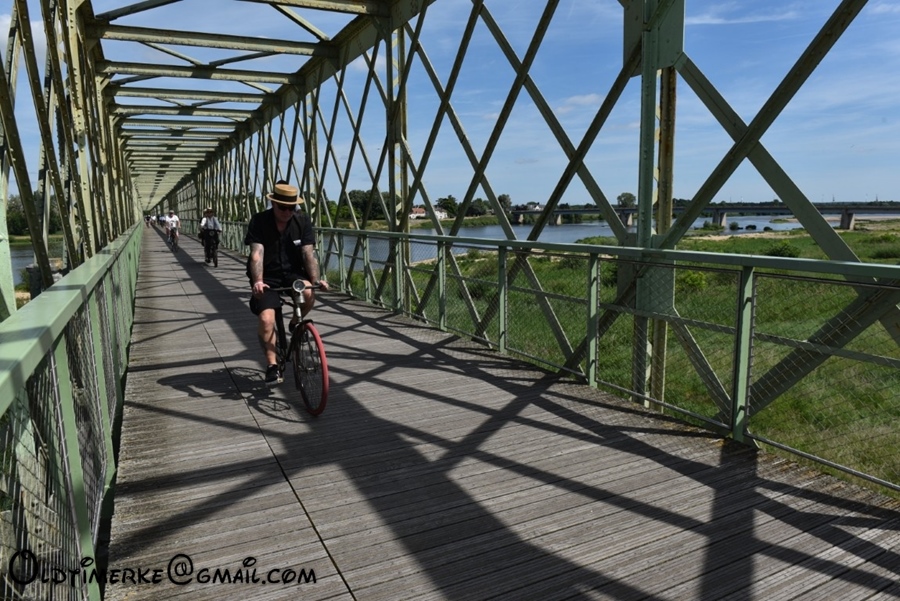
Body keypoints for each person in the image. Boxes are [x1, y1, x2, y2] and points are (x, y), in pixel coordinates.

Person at [244, 182, 329, 385]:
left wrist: (316, 280)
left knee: (308, 292)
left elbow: (308, 254)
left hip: (293, 273)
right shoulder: (259, 221)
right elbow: (257, 253)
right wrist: (258, 281)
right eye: (282, 207)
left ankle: (295, 323)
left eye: (291, 207)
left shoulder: (302, 221)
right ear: (273, 204)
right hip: (267, 277)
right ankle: (272, 365)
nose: (287, 212)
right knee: (267, 319)